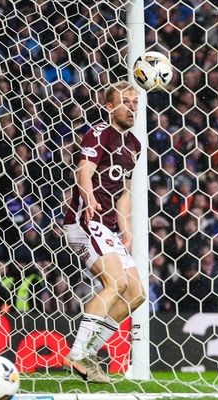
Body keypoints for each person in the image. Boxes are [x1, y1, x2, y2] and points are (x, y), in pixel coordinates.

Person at [61, 81, 146, 383]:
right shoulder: (99, 133)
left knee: (136, 294)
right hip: (85, 219)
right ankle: (76, 354)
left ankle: (89, 353)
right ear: (110, 107)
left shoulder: (134, 145)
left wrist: (127, 230)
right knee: (116, 282)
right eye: (126, 101)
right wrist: (89, 198)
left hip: (108, 226)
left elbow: (123, 192)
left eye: (135, 101)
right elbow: (83, 170)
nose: (132, 107)